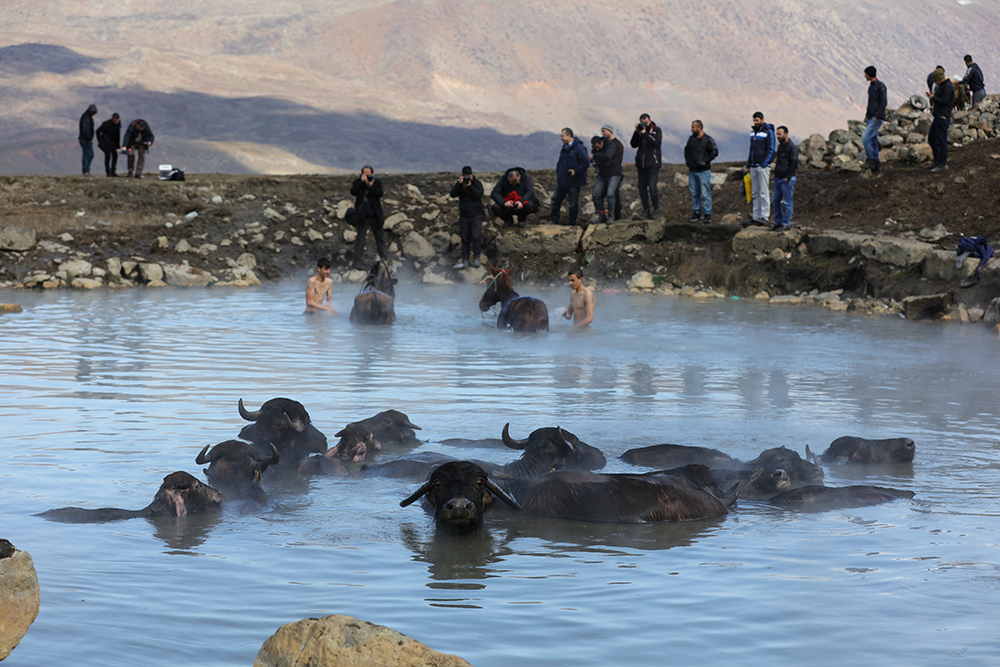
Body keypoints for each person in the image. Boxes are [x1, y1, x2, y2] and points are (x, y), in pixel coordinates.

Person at [549, 128, 589, 227]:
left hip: (574, 182)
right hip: (563, 181)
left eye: (562, 136)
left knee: (573, 204)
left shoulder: (579, 148)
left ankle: (572, 223)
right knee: (555, 200)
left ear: (569, 135)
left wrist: (575, 171)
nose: (561, 138)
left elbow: (585, 163)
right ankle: (554, 220)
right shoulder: (565, 148)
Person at [350, 165, 389, 267]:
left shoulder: (377, 183)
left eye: (368, 174)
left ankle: (384, 259)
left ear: (373, 174)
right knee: (360, 239)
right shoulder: (358, 183)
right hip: (363, 216)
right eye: (364, 173)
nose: (367, 175)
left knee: (380, 238)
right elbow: (353, 192)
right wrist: (361, 182)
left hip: (375, 216)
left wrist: (370, 185)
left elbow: (379, 193)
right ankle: (357, 261)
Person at [449, 166, 484, 269]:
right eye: (466, 177)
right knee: (465, 238)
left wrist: (470, 186)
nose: (467, 179)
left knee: (476, 236)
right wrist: (458, 184)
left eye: (469, 176)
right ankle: (465, 260)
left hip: (476, 215)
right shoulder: (460, 185)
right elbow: (452, 194)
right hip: (464, 216)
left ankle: (477, 258)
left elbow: (479, 194)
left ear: (472, 175)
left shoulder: (477, 183)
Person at [745, 111, 776, 226]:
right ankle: (756, 216)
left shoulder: (768, 132)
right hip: (753, 166)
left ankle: (765, 216)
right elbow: (751, 150)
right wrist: (749, 164)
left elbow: (771, 149)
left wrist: (764, 164)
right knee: (755, 192)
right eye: (754, 120)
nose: (755, 122)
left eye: (757, 120)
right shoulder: (753, 133)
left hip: (762, 166)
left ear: (762, 120)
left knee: (763, 192)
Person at [684, 120, 718, 223]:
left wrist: (705, 161)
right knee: (694, 193)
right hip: (692, 170)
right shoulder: (691, 139)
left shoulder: (707, 140)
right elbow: (686, 151)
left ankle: (707, 214)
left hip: (703, 171)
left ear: (699, 128)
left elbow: (714, 152)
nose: (691, 129)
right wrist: (688, 161)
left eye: (693, 127)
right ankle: (696, 213)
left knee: (705, 193)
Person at [630, 114, 662, 219]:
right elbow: (633, 144)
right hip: (641, 166)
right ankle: (646, 210)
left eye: (646, 122)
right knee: (642, 189)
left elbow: (656, 143)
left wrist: (645, 134)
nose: (645, 124)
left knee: (652, 188)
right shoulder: (640, 132)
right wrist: (637, 132)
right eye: (643, 122)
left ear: (650, 121)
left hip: (653, 164)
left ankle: (656, 209)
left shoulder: (656, 130)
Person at [926, 69, 955, 172]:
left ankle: (942, 163)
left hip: (943, 117)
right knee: (932, 138)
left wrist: (933, 98)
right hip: (938, 116)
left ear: (938, 79)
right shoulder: (942, 86)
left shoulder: (947, 87)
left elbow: (944, 101)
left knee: (941, 140)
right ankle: (937, 160)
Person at [771, 126, 798, 231]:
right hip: (778, 178)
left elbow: (794, 164)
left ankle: (786, 223)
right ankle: (778, 222)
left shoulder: (792, 148)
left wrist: (788, 177)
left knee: (787, 202)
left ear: (786, 134)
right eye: (777, 134)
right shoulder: (780, 147)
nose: (778, 136)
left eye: (780, 134)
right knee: (775, 201)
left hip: (787, 179)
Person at [590, 135, 621, 225]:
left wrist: (594, 155)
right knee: (596, 194)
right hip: (602, 174)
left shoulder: (610, 145)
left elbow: (607, 155)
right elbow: (596, 159)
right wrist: (593, 162)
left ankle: (611, 215)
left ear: (601, 143)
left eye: (597, 147)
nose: (597, 149)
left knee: (610, 194)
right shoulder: (595, 150)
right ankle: (601, 215)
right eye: (595, 148)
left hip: (614, 173)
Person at [862, 66, 887, 172]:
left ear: (869, 74)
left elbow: (883, 102)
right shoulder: (871, 87)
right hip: (870, 117)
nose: (864, 76)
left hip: (876, 118)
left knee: (865, 137)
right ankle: (876, 164)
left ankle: (871, 159)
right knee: (873, 139)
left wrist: (877, 116)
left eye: (865, 74)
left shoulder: (880, 86)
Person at [601, 124, 625, 220]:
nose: (602, 133)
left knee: (613, 193)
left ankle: (616, 215)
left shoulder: (617, 144)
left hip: (614, 172)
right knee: (612, 193)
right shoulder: (607, 143)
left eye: (604, 131)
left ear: (609, 131)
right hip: (608, 173)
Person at [95, 113, 121, 177]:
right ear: (112, 119)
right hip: (107, 143)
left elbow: (118, 134)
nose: (116, 122)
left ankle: (113, 171)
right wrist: (101, 141)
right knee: (108, 157)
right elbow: (98, 131)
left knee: (115, 157)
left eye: (117, 121)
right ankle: (108, 172)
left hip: (114, 143)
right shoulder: (106, 124)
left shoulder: (118, 124)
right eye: (115, 121)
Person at [78, 104, 97, 175]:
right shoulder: (86, 117)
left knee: (90, 154)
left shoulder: (87, 116)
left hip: (85, 139)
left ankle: (87, 169)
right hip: (85, 139)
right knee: (87, 154)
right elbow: (85, 129)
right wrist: (89, 137)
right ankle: (85, 170)